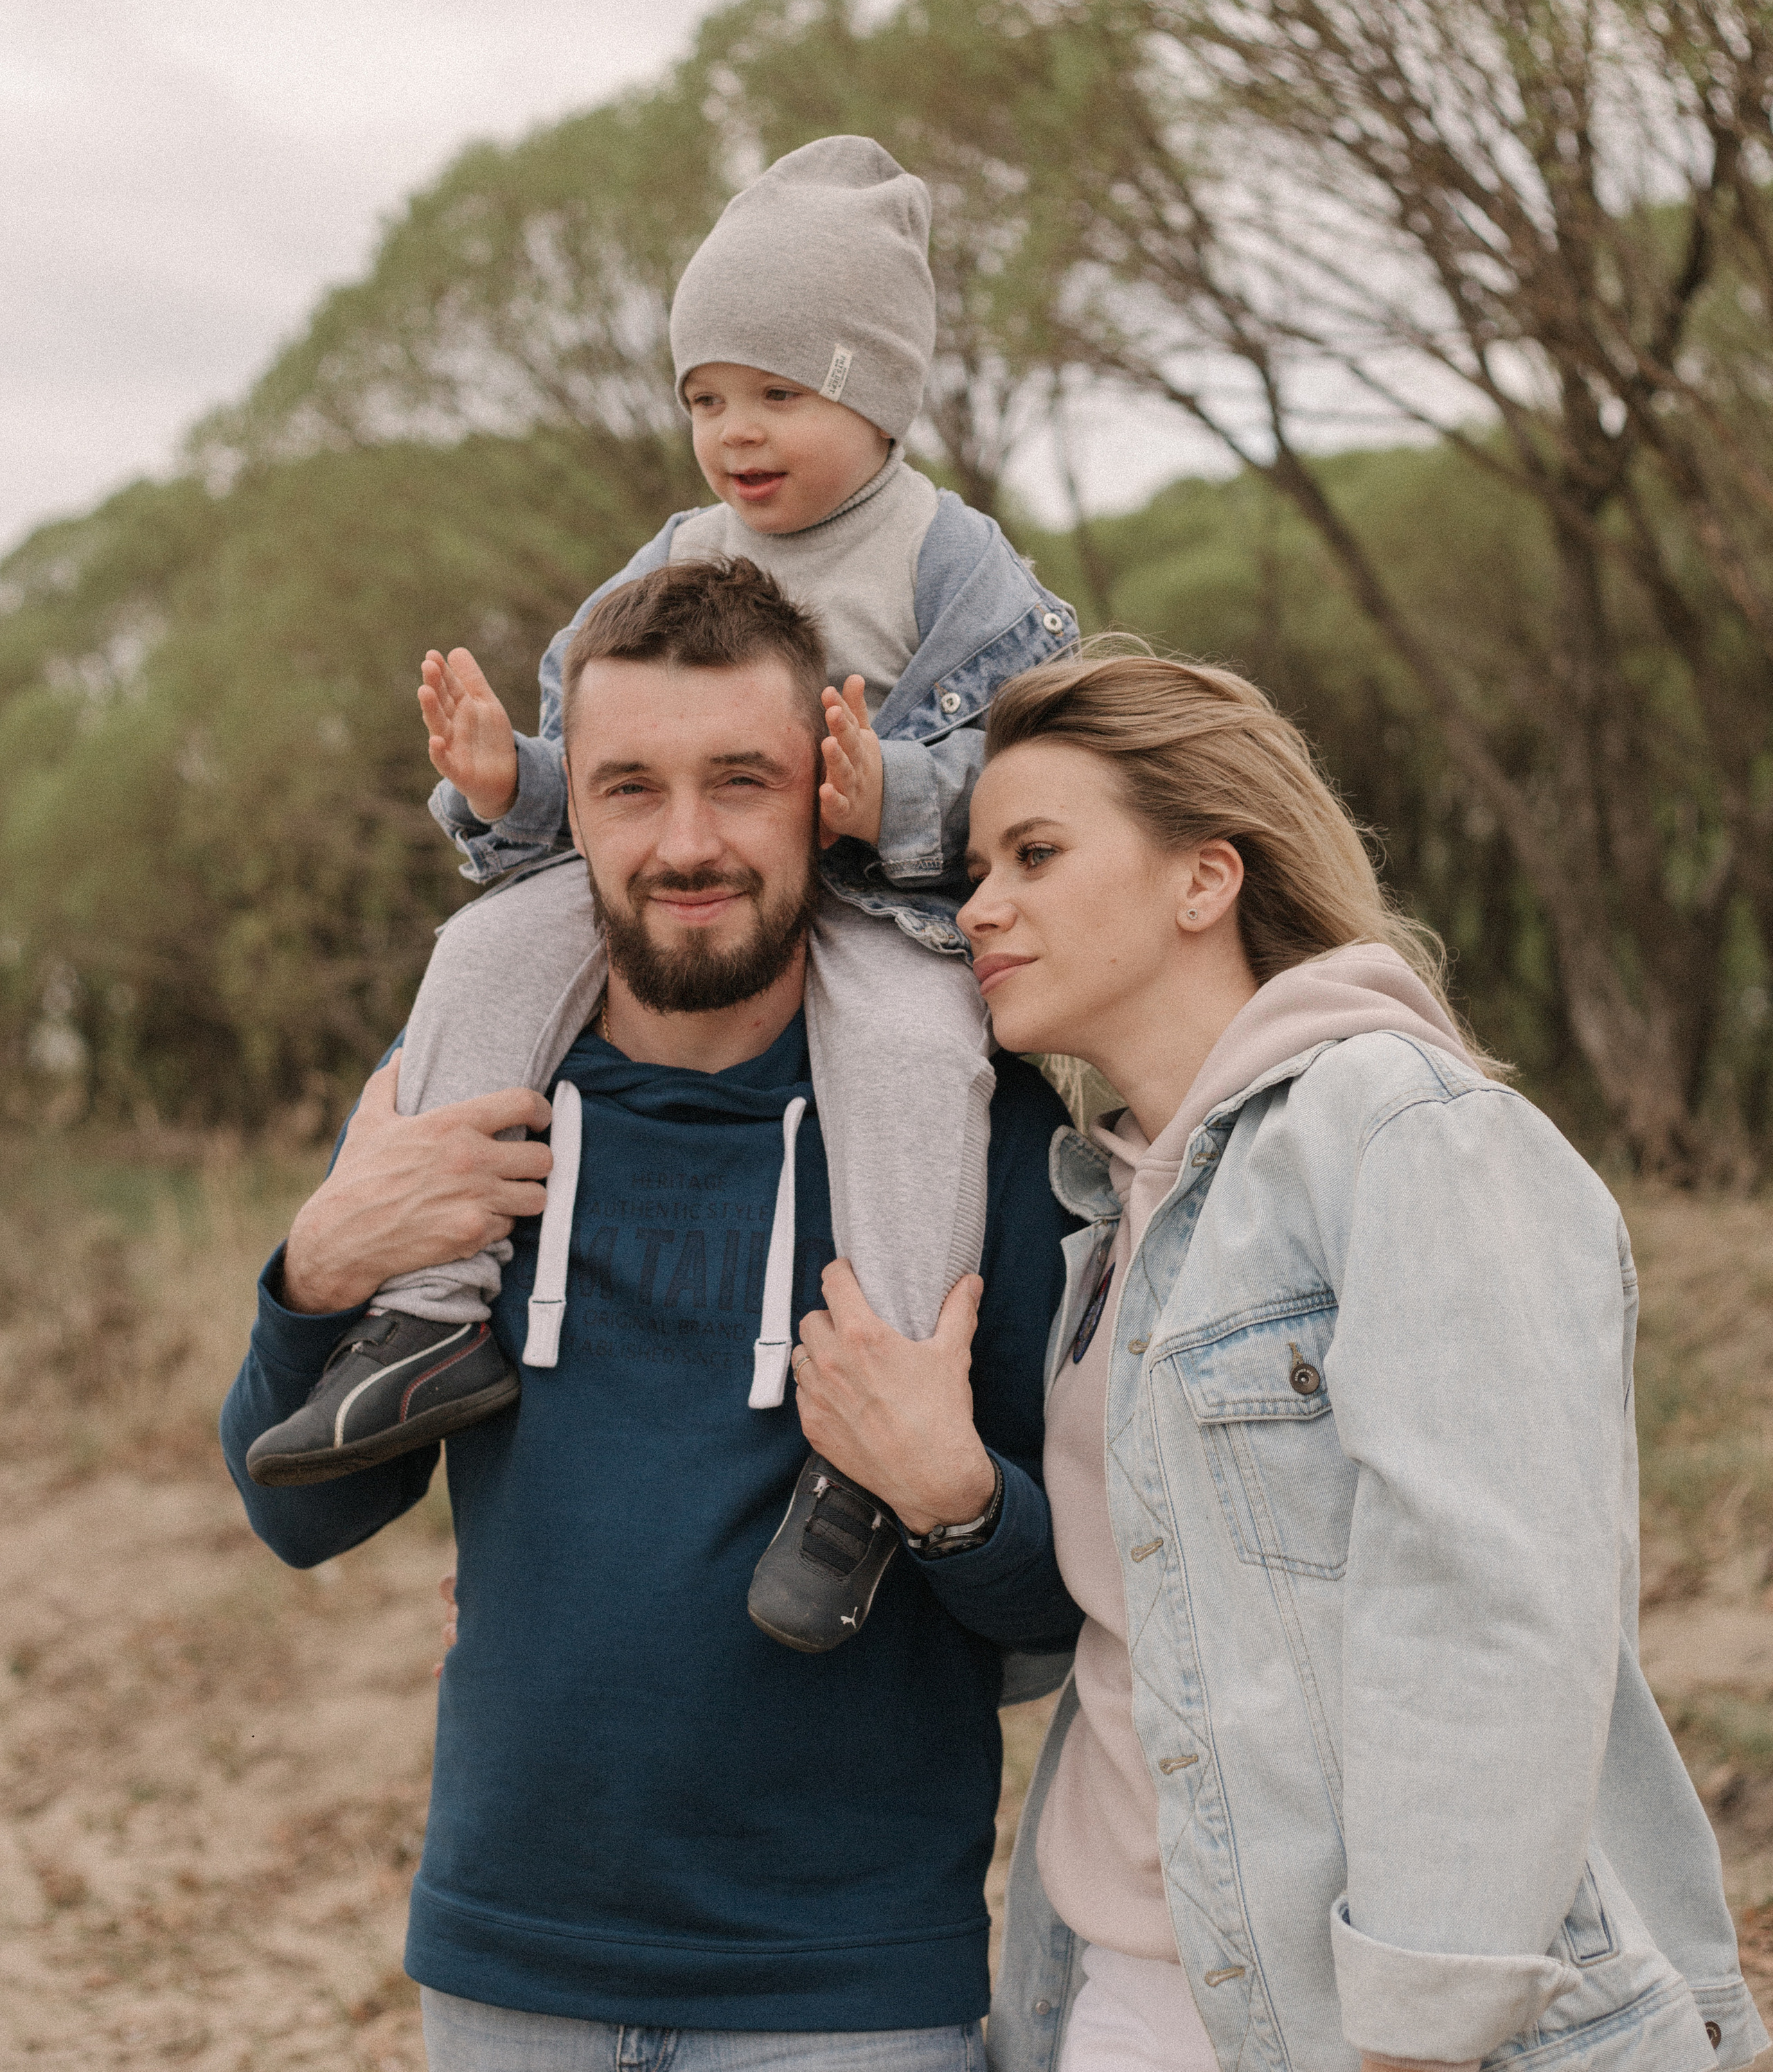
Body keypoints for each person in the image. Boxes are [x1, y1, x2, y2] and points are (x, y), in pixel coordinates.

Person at [220, 560, 1081, 2069]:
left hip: (847, 1986)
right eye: (628, 788)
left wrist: (943, 1492)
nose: (685, 844)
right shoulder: (482, 1094)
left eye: (738, 782)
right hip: (504, 1963)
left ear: (824, 783)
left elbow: (1049, 1609)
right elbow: (298, 1519)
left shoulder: (962, 1127)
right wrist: (320, 1266)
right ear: (570, 811)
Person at [858, 644, 1761, 2072]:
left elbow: (1493, 1605)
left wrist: (1416, 2028)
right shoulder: (1101, 1207)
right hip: (1105, 1984)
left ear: (1202, 881)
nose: (980, 906)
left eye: (1033, 853)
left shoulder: (1401, 1133)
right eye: (975, 867)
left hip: (1374, 2019)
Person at [245, 134, 1076, 1654]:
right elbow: (603, 772)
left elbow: (1045, 767)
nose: (736, 434)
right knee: (488, 938)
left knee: (908, 1051)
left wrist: (889, 797)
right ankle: (426, 1317)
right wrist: (512, 785)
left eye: (779, 393)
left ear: (875, 393)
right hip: (512, 1848)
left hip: (875, 909)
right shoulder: (680, 556)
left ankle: (860, 1451)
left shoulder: (948, 563)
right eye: (705, 398)